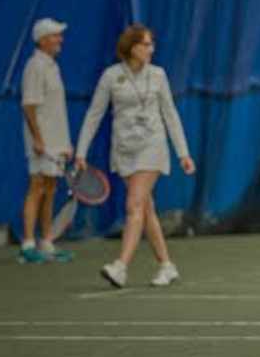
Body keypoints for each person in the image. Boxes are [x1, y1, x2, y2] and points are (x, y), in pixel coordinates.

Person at [76, 24, 195, 288]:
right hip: (124, 151)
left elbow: (170, 114)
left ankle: (121, 266)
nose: (151, 49)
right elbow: (94, 114)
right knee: (146, 207)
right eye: (146, 44)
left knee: (133, 205)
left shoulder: (159, 75)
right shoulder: (111, 76)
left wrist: (182, 153)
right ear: (132, 47)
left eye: (152, 44)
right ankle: (167, 265)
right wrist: (81, 151)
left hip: (152, 148)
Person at [18, 18, 75, 263]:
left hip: (56, 142)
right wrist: (39, 139)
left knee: (51, 189)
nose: (60, 39)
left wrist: (65, 143)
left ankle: (46, 241)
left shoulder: (52, 65)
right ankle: (28, 245)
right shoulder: (35, 66)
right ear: (42, 40)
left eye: (60, 35)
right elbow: (29, 106)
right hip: (41, 142)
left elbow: (55, 109)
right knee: (37, 187)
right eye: (55, 35)